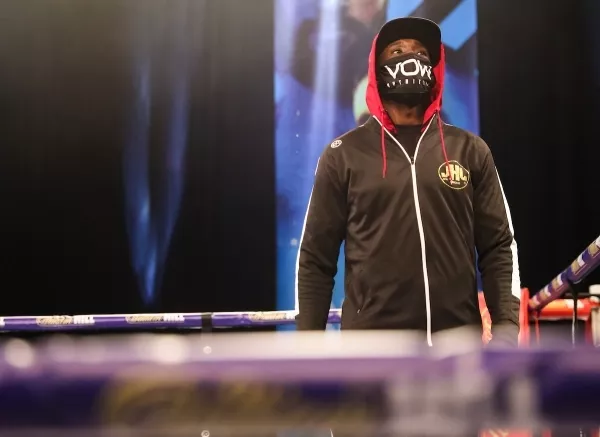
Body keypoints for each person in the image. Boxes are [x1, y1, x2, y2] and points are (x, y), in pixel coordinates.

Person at [295, 17, 521, 346]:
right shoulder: (343, 155)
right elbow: (316, 258)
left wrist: (506, 331)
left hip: (457, 350)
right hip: (373, 352)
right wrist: (308, 348)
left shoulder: (469, 149)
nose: (411, 58)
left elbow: (498, 246)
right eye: (397, 51)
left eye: (421, 53)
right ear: (377, 69)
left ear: (434, 69)